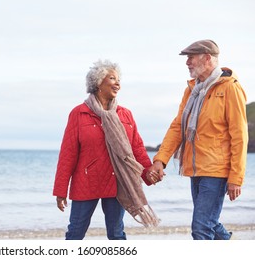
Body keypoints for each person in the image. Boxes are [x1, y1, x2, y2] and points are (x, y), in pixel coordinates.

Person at [149, 39, 248, 240]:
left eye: (191, 58)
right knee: (210, 223)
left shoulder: (230, 88)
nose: (187, 63)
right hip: (196, 169)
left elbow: (239, 136)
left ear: (207, 58)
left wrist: (235, 178)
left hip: (217, 170)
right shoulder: (192, 90)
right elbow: (178, 127)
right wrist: (161, 159)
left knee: (201, 227)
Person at [53, 59, 159, 240]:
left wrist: (148, 172)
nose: (118, 83)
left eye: (119, 80)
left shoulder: (125, 114)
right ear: (98, 82)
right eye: (112, 78)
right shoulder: (79, 113)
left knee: (116, 233)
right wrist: (61, 190)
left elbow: (136, 148)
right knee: (75, 232)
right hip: (87, 182)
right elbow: (68, 154)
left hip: (117, 181)